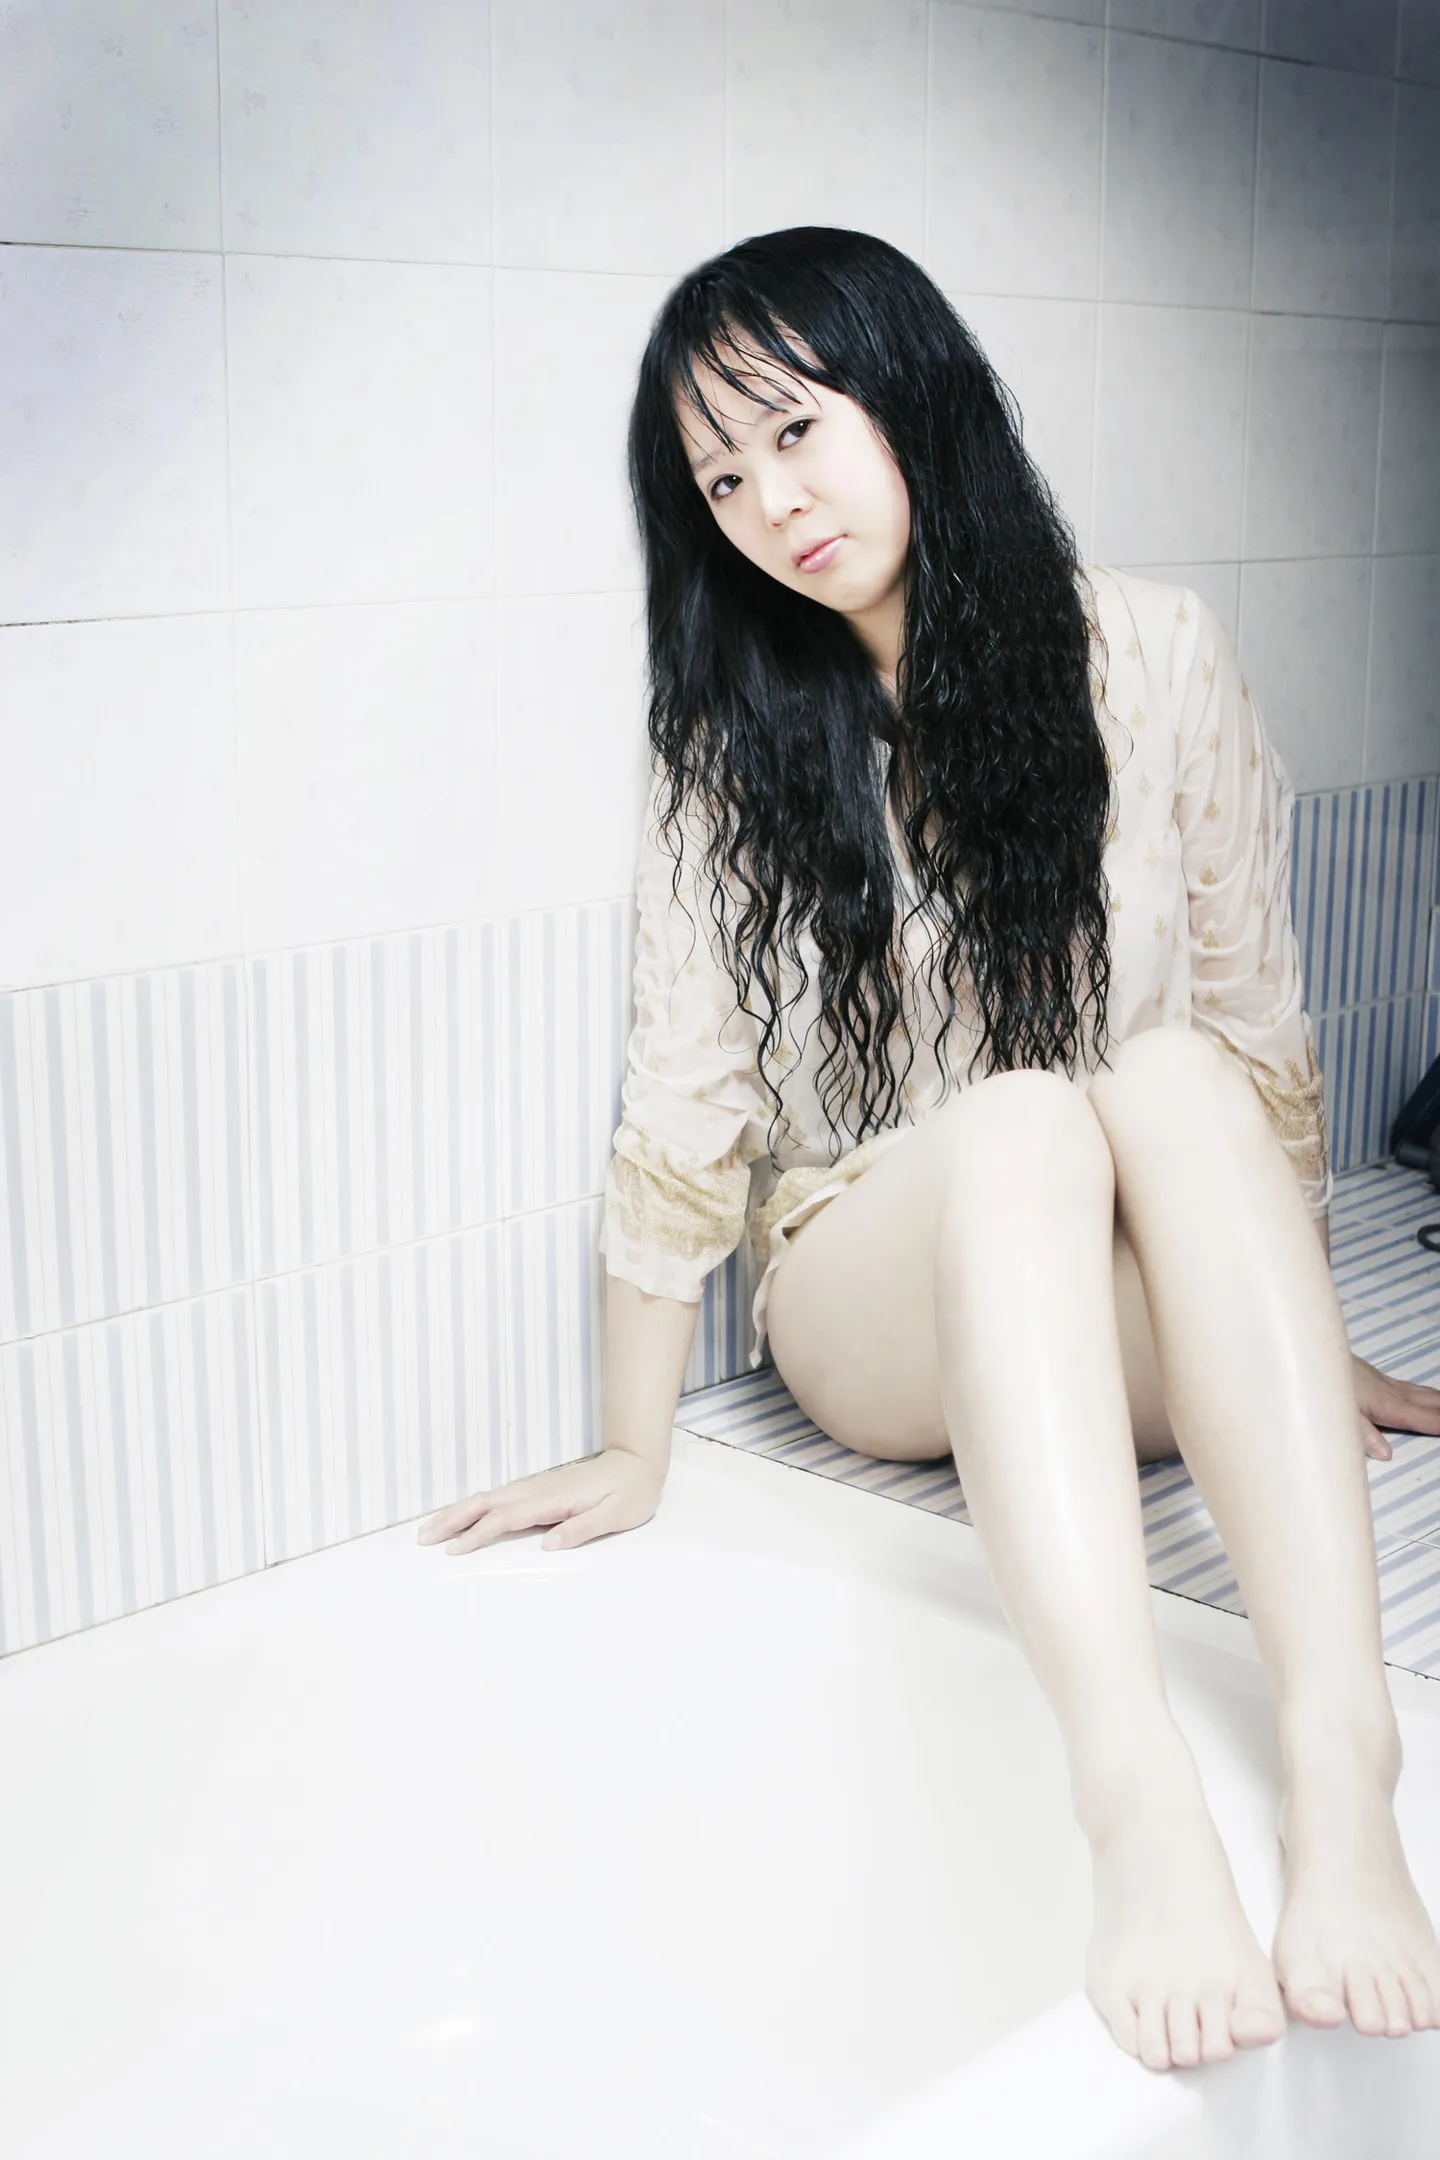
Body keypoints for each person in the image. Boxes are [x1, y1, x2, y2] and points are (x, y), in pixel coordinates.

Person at [419, 228, 1440, 2074]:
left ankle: (1341, 1753)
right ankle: (1133, 1794)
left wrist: (1303, 1327)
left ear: (914, 396)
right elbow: (686, 1095)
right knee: (1030, 1112)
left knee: (1177, 1077)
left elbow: (1259, 1021)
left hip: (1107, 1293)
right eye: (720, 480)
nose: (770, 505)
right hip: (874, 1305)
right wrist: (636, 1443)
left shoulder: (1153, 651)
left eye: (795, 432)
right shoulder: (731, 738)